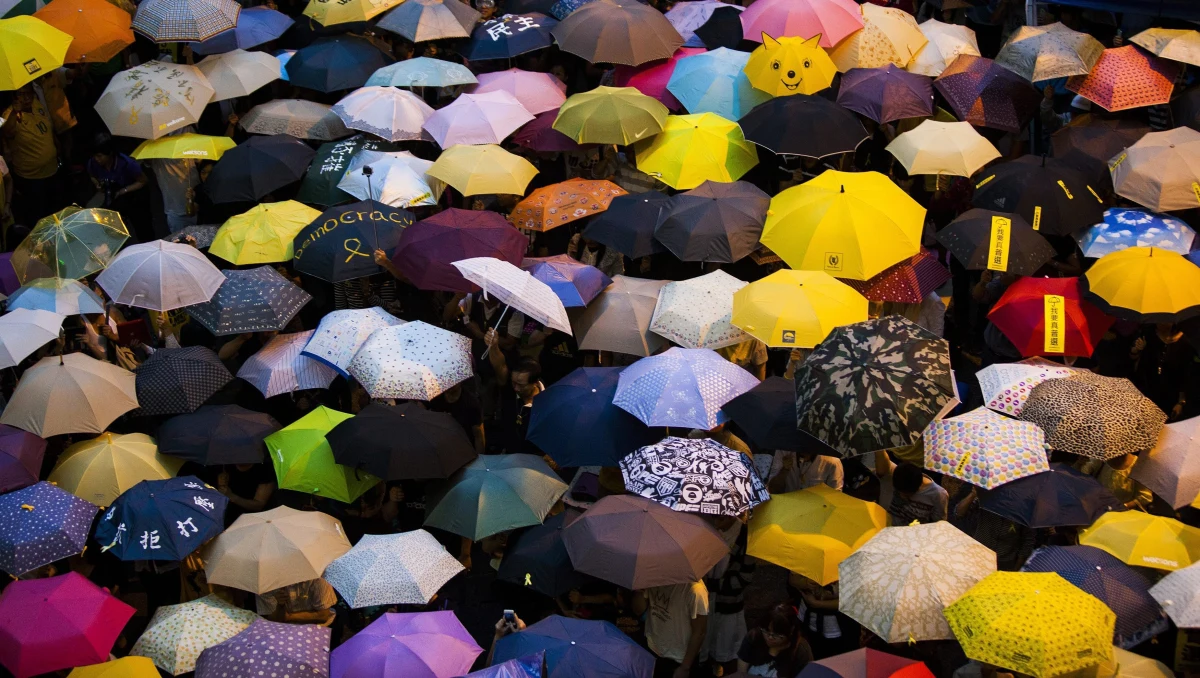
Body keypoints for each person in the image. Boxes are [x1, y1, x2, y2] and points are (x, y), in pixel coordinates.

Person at [1, 85, 60, 227]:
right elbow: (7, 133)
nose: (26, 98)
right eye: (21, 94)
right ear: (15, 96)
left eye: (29, 93)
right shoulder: (10, 115)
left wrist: (57, 148)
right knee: (38, 218)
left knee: (54, 211)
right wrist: (15, 113)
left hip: (52, 170)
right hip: (32, 178)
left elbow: (48, 130)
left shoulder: (37, 104)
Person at [484, 327, 543, 455]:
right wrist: (494, 346)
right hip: (508, 452)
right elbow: (500, 366)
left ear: (534, 383)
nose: (516, 388)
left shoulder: (547, 400)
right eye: (514, 383)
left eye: (521, 385)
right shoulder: (510, 389)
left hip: (533, 457)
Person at [634, 580, 709, 678]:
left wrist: (685, 667)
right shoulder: (654, 577)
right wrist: (638, 589)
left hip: (679, 659)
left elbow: (700, 632)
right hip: (653, 648)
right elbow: (639, 610)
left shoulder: (696, 590)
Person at [736, 603, 813, 677]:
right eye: (766, 631)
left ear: (791, 631)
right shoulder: (754, 637)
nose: (770, 637)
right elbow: (741, 673)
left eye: (776, 635)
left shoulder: (801, 651)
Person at [873, 452, 948, 524]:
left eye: (906, 494)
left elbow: (938, 524)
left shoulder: (938, 495)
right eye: (898, 492)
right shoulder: (896, 473)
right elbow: (882, 460)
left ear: (919, 486)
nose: (902, 497)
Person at [769, 450, 844, 493]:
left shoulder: (832, 461)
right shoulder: (784, 453)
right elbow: (772, 489)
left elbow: (835, 496)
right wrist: (784, 470)